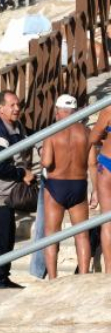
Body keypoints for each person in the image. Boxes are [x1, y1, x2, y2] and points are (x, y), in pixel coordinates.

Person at [0, 91, 34, 289]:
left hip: (7, 193)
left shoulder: (15, 126)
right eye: (12, 105)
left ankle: (2, 277)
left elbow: (30, 136)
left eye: (18, 104)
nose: (17, 108)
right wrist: (22, 174)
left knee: (6, 238)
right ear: (0, 108)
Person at [39, 95, 92, 279]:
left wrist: (40, 153)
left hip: (56, 186)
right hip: (79, 185)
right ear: (75, 111)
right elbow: (92, 164)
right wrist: (93, 192)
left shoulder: (52, 132)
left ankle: (53, 279)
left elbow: (46, 162)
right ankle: (84, 277)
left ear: (58, 111)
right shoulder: (86, 132)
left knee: (51, 236)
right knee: (82, 235)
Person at [90, 98, 111, 270]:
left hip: (108, 163)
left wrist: (105, 140)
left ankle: (109, 270)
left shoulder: (109, 110)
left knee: (107, 222)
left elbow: (93, 137)